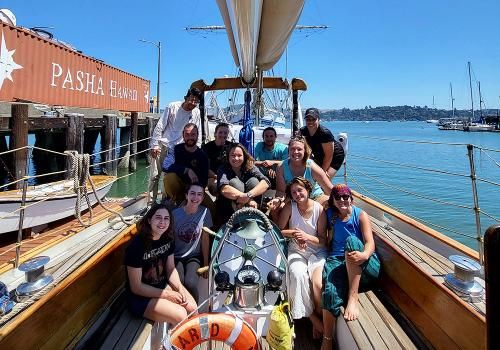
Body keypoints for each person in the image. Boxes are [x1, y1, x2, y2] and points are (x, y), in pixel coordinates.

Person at [321, 184, 380, 350]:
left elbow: (370, 243)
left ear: (351, 198)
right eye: (337, 197)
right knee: (330, 292)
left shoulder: (360, 215)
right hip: (338, 262)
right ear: (332, 200)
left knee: (352, 242)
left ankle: (353, 298)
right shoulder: (330, 215)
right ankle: (327, 337)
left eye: (345, 197)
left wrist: (365, 254)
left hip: (364, 264)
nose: (342, 200)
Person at [124, 203, 197, 325]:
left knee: (193, 309)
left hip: (161, 286)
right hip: (141, 297)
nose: (162, 222)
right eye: (158, 217)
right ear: (149, 220)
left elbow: (170, 269)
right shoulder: (136, 246)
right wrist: (167, 294)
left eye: (166, 218)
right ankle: (174, 344)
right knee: (181, 315)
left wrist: (179, 288)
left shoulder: (167, 238)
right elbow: (136, 287)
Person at [277, 177, 327, 339]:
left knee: (317, 284)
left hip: (317, 252)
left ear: (308, 190)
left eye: (300, 190)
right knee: (298, 275)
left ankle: (318, 318)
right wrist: (296, 235)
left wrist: (306, 237)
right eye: (293, 192)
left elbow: (323, 240)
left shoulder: (319, 209)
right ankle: (313, 320)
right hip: (296, 251)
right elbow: (279, 231)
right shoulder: (290, 208)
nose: (297, 194)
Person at [148, 87, 202, 203]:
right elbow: (160, 125)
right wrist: (154, 145)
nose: (193, 103)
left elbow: (197, 131)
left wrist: (197, 150)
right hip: (163, 145)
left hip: (178, 150)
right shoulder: (173, 106)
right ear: (186, 97)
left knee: (169, 176)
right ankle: (150, 204)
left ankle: (165, 202)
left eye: (196, 101)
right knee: (154, 176)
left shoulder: (196, 112)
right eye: (192, 99)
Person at [268, 135, 333, 222]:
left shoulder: (312, 166)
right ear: (288, 150)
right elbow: (281, 192)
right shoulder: (281, 167)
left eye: (299, 149)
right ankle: (282, 233)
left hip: (315, 197)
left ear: (305, 150)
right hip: (293, 198)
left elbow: (329, 189)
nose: (295, 152)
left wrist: (341, 198)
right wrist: (278, 200)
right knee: (275, 209)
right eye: (292, 149)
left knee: (332, 206)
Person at [172, 183, 213, 304]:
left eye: (199, 194)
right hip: (176, 256)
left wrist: (206, 264)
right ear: (186, 195)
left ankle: (193, 312)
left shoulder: (205, 212)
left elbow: (205, 240)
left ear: (203, 197)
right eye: (192, 193)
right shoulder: (175, 214)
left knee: (190, 283)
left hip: (194, 256)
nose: (196, 197)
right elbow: (170, 240)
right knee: (179, 282)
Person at [215, 143, 270, 228]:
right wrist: (248, 200)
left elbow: (266, 182)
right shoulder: (223, 169)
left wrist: (249, 195)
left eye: (239, 155)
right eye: (233, 155)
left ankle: (252, 216)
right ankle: (239, 219)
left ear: (244, 156)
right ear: (228, 157)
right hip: (230, 210)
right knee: (235, 182)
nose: (236, 158)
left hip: (252, 206)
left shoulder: (251, 167)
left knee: (254, 181)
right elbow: (224, 189)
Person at [162, 123, 212, 211]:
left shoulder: (203, 155)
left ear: (197, 135)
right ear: (183, 136)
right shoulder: (176, 149)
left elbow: (203, 182)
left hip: (194, 190)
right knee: (170, 177)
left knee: (212, 208)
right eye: (187, 135)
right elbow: (165, 166)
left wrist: (189, 198)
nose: (190, 138)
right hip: (178, 187)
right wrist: (186, 170)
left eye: (193, 135)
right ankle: (174, 202)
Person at [299, 107, 345, 179]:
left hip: (335, 156)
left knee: (323, 179)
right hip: (319, 154)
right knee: (310, 177)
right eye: (308, 119)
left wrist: (322, 172)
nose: (310, 122)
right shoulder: (302, 131)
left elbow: (329, 155)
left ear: (318, 120)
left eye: (313, 119)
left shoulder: (324, 133)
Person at [201, 122, 232, 195]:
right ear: (215, 134)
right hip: (213, 176)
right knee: (215, 187)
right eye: (220, 132)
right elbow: (205, 168)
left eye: (225, 133)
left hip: (229, 176)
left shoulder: (231, 146)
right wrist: (217, 177)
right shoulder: (207, 147)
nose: (223, 135)